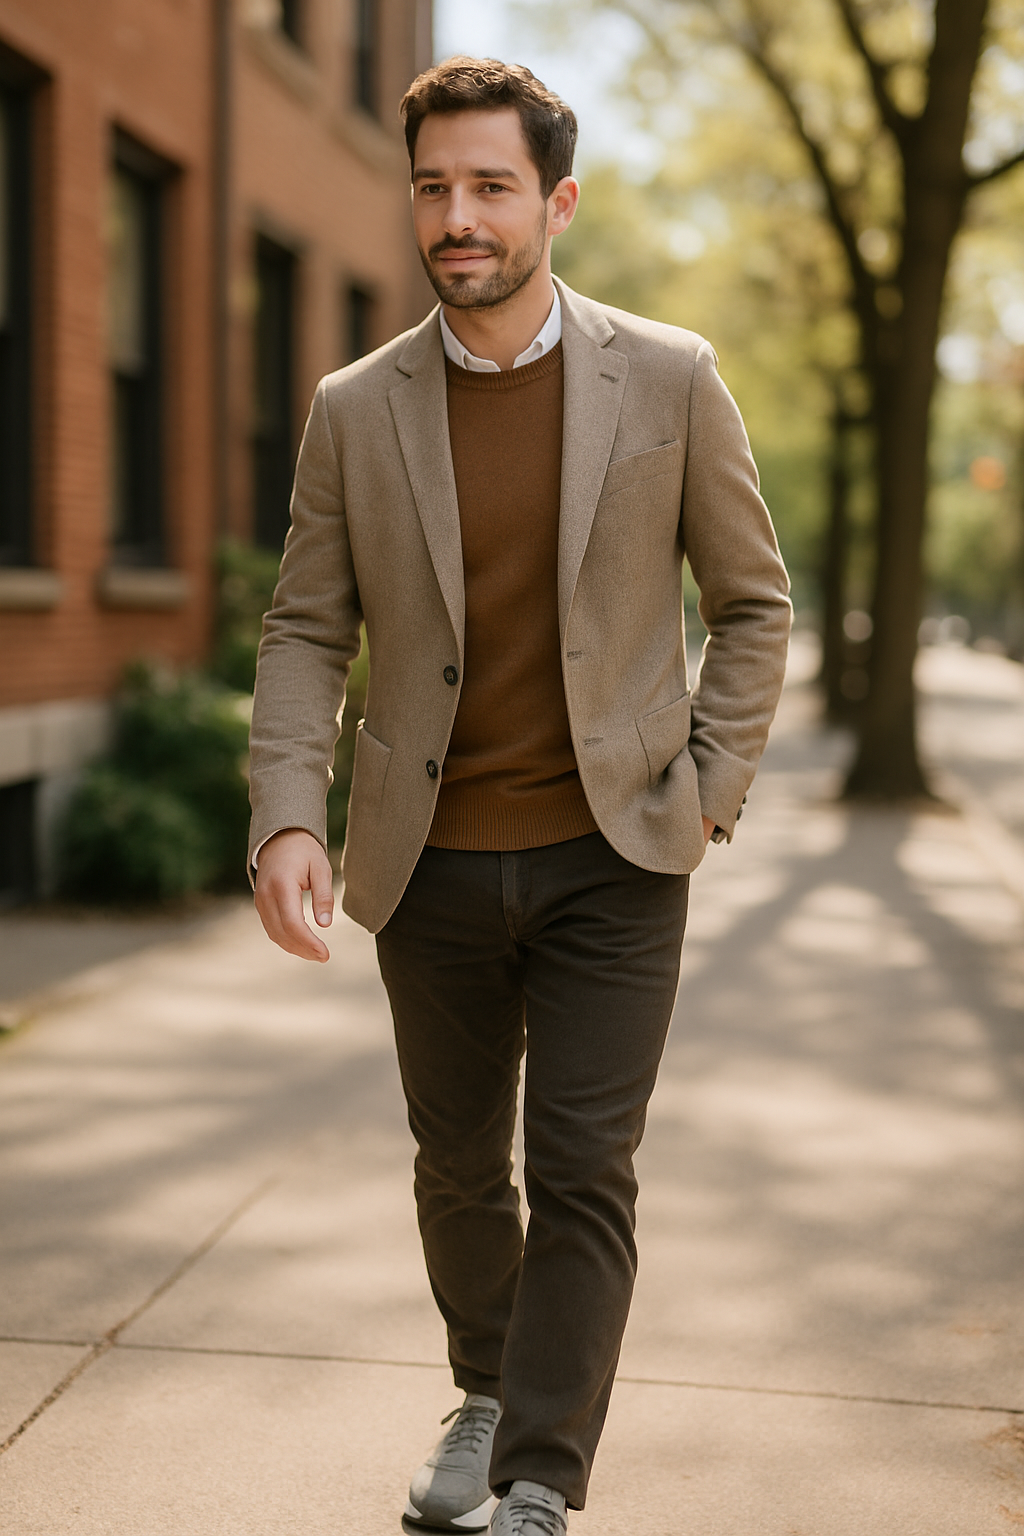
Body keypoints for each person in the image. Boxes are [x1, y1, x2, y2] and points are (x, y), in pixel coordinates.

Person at [248, 57, 791, 1536]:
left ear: (554, 200)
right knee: (458, 1168)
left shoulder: (668, 376)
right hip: (427, 861)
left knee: (583, 1170)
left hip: (619, 853)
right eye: (433, 186)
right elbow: (306, 627)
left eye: (489, 186)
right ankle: (485, 1389)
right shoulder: (357, 408)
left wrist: (707, 788)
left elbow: (752, 604)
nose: (456, 216)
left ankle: (543, 1476)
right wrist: (290, 811)